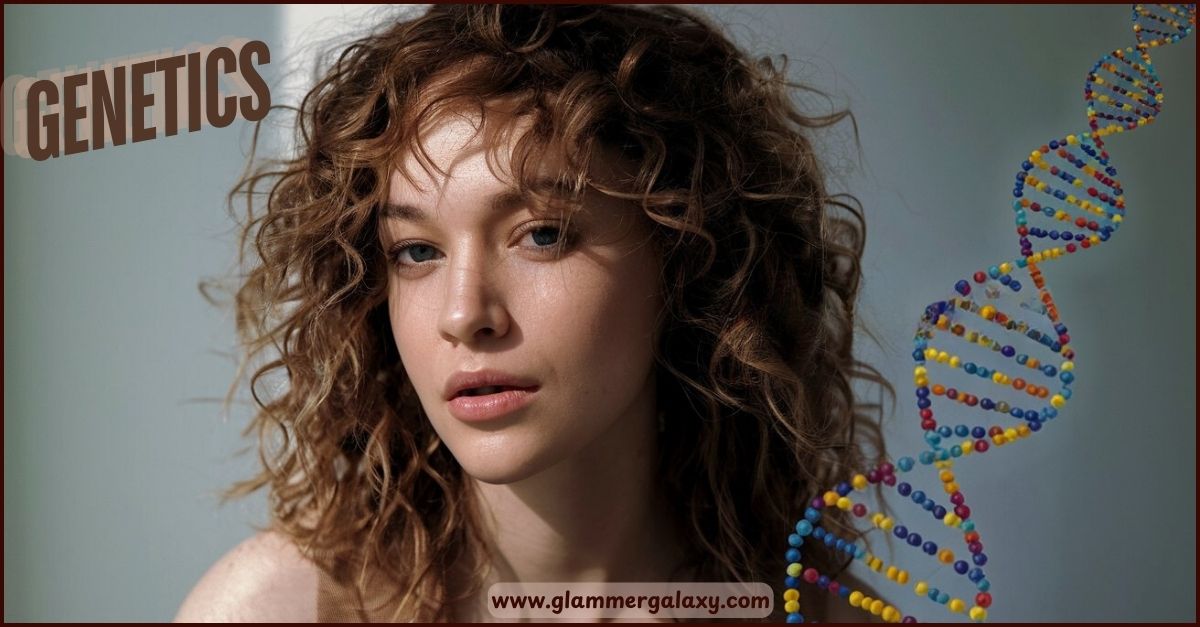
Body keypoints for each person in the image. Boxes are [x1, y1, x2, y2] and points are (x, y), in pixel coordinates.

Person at [176, 4, 890, 622]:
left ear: (691, 258)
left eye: (542, 234)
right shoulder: (277, 608)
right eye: (417, 251)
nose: (464, 314)